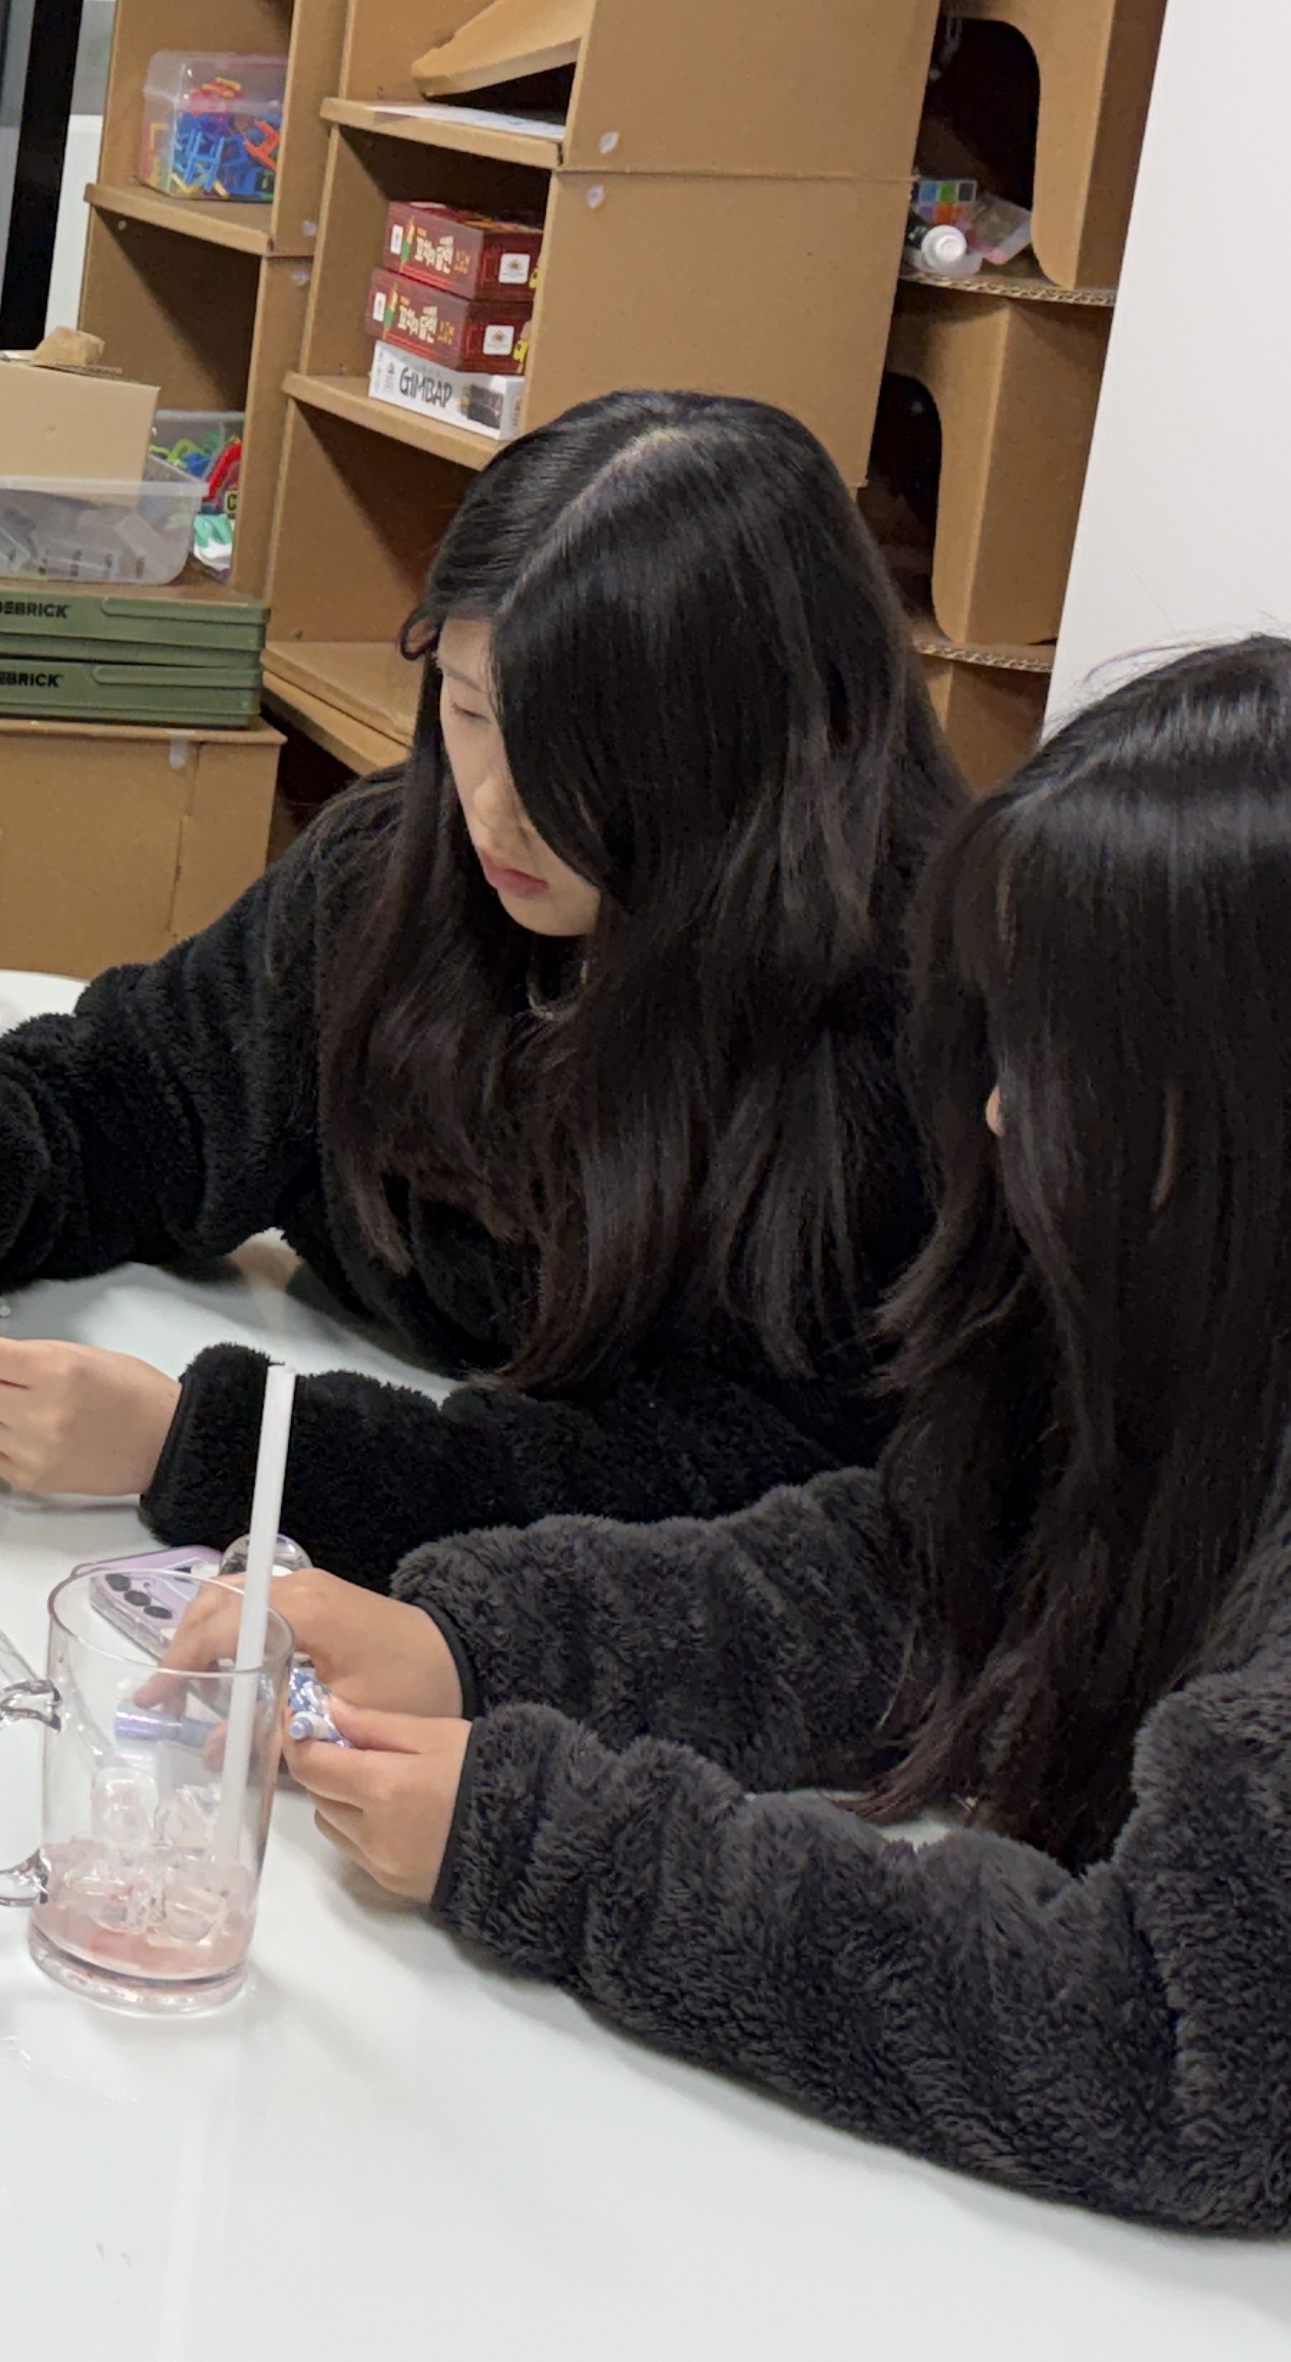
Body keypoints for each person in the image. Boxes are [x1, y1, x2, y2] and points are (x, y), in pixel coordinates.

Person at [227, 639, 1291, 2232]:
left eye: (1071, 1062)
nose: (1001, 1114)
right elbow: (916, 1573)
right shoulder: (1171, 1318)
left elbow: (1158, 2045)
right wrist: (466, 1645)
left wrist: (546, 1838)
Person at [0, 393, 962, 1583]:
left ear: (748, 747)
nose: (495, 805)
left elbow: (702, 1496)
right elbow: (148, 1085)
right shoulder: (398, 870)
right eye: (469, 710)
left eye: (576, 757)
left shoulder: (891, 1035)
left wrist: (207, 1450)